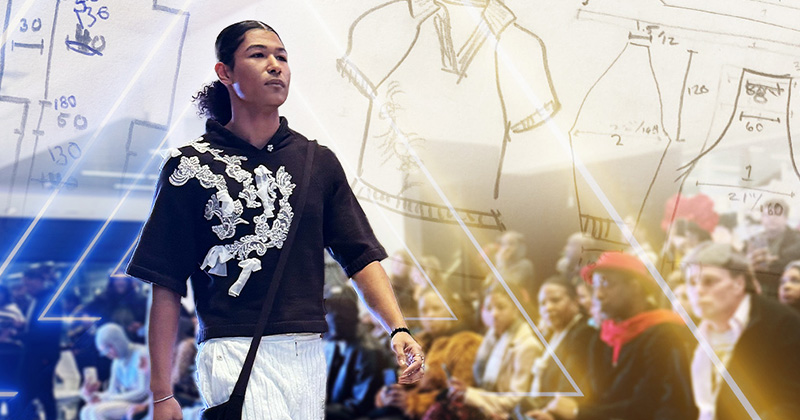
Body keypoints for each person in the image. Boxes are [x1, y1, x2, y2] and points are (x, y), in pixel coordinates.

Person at [126, 20, 423, 420]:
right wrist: (161, 394)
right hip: (233, 347)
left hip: (307, 351)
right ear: (225, 72)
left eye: (281, 56)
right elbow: (165, 282)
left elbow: (359, 255)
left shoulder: (317, 161)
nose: (275, 65)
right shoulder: (190, 167)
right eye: (259, 54)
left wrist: (398, 328)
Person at [529, 251, 697, 420]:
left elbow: (650, 406)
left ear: (634, 287)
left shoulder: (664, 335)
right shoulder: (602, 339)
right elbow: (595, 399)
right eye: (595, 286)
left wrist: (578, 413)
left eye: (606, 283)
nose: (598, 295)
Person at [684, 243, 800, 419]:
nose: (698, 290)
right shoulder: (687, 333)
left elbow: (792, 405)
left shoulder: (783, 324)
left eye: (709, 281)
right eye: (692, 282)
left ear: (738, 284)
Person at [373, 288, 482, 420]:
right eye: (424, 310)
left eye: (436, 308)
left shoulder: (467, 343)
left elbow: (460, 396)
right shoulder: (417, 342)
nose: (430, 315)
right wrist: (389, 395)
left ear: (450, 309)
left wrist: (412, 403)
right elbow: (404, 381)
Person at [447, 285, 542, 418]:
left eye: (501, 307)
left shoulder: (527, 345)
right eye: (489, 308)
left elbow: (517, 400)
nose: (494, 314)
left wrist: (470, 394)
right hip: (489, 409)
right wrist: (466, 390)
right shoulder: (492, 336)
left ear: (516, 309)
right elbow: (483, 386)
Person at [519, 276, 594, 415]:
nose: (548, 308)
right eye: (542, 303)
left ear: (575, 302)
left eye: (555, 300)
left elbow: (569, 390)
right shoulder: (551, 335)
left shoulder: (582, 333)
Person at [8, 266, 62, 420]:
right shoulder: (37, 300)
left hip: (42, 355)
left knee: (38, 393)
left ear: (40, 282)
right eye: (25, 285)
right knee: (37, 393)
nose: (27, 289)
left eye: (30, 285)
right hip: (36, 354)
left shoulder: (49, 301)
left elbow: (45, 333)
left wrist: (18, 335)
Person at [324, 288, 383, 419]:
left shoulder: (368, 351)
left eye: (342, 311)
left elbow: (358, 407)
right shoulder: (331, 343)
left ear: (353, 315)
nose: (333, 317)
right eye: (330, 310)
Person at [80, 323, 149, 420]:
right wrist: (93, 395)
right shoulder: (117, 362)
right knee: (86, 410)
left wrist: (106, 399)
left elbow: (143, 393)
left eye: (108, 349)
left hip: (143, 403)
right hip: (126, 401)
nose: (108, 354)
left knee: (98, 411)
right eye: (104, 352)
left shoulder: (142, 354)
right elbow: (112, 392)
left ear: (118, 342)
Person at [745, 198, 800, 299]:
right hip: (759, 295)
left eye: (777, 214)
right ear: (762, 218)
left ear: (785, 218)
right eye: (767, 215)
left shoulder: (797, 239)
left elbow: (787, 260)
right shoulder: (753, 240)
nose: (771, 218)